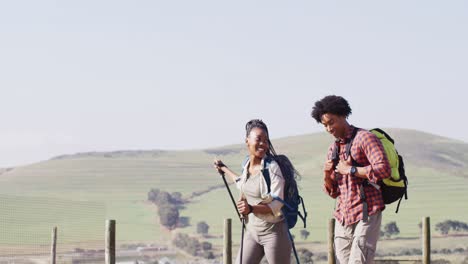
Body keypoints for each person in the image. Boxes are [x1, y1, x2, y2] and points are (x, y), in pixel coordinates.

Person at [311, 95, 391, 264]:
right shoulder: (333, 149)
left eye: (331, 122)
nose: (328, 128)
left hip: (367, 212)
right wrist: (327, 175)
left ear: (343, 115)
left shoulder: (365, 138)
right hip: (343, 216)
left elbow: (384, 169)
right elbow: (333, 192)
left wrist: (351, 170)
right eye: (324, 125)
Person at [213, 119, 295, 264]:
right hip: (252, 231)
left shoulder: (272, 168)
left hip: (274, 233)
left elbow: (277, 204)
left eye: (266, 140)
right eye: (258, 139)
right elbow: (242, 183)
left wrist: (250, 208)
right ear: (247, 141)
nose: (263, 144)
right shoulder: (246, 164)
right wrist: (224, 169)